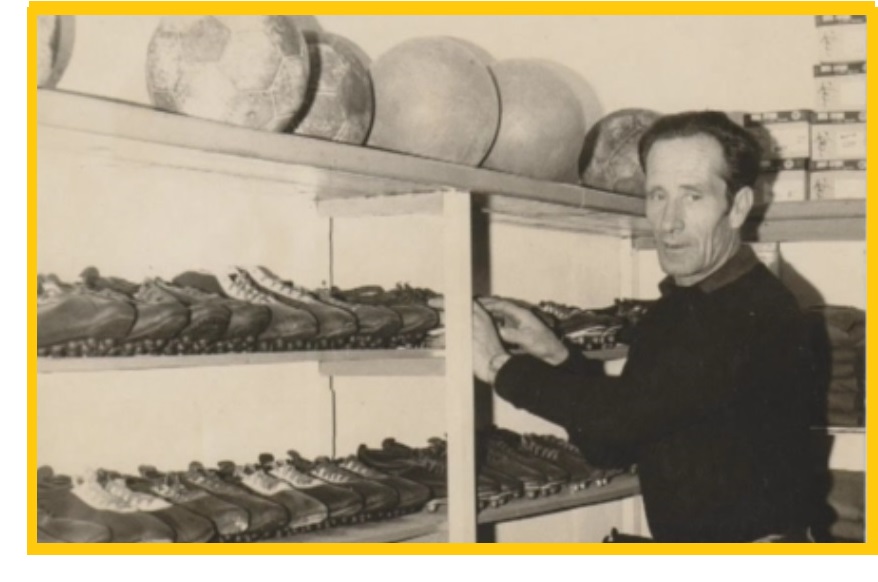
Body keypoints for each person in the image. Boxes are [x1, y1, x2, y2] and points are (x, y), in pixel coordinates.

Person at [472, 111, 815, 543]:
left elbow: (619, 419)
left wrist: (499, 366)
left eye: (692, 197)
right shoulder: (680, 309)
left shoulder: (752, 311)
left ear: (738, 207)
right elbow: (612, 446)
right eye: (657, 195)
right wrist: (555, 354)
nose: (669, 221)